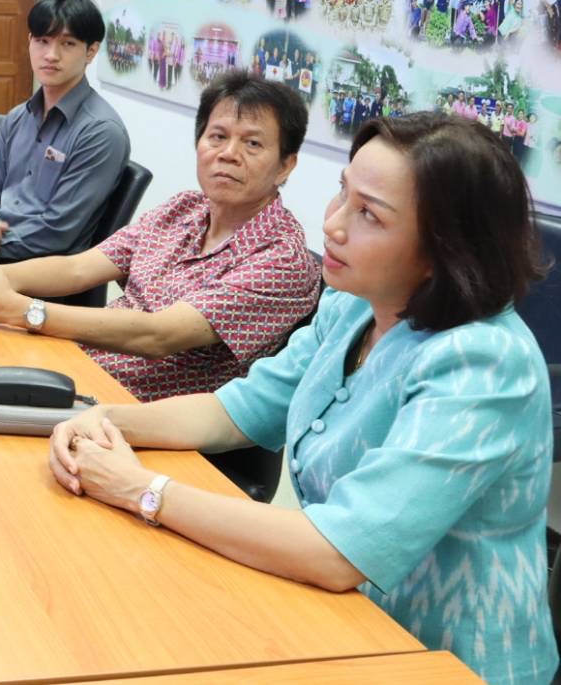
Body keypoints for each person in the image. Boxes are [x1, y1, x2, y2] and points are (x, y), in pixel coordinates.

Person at [46, 113, 556, 685]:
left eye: (369, 214)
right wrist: (103, 417)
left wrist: (139, 488)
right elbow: (235, 408)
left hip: (437, 657)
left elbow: (340, 551)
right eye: (343, 193)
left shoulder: (483, 363)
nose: (333, 225)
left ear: (446, 248)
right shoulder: (354, 306)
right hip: (329, 619)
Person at [0, 72, 319, 401]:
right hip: (79, 366)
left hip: (138, 411)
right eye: (217, 137)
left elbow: (159, 336)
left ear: (286, 164)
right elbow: (80, 268)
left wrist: (16, 309)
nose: (229, 154)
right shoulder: (183, 208)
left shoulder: (281, 257)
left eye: (252, 143)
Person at [0, 0, 129, 263]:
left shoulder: (100, 132)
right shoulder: (17, 118)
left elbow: (56, 232)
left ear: (91, 51)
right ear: (30, 41)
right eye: (42, 41)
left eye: (67, 43)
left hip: (40, 277)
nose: (51, 55)